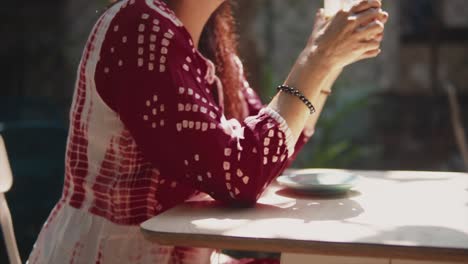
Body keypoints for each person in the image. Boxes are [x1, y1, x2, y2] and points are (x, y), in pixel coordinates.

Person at [28, 0, 388, 263]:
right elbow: (242, 174)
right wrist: (316, 59)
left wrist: (329, 65)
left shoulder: (209, 48)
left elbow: (269, 152)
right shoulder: (139, 24)